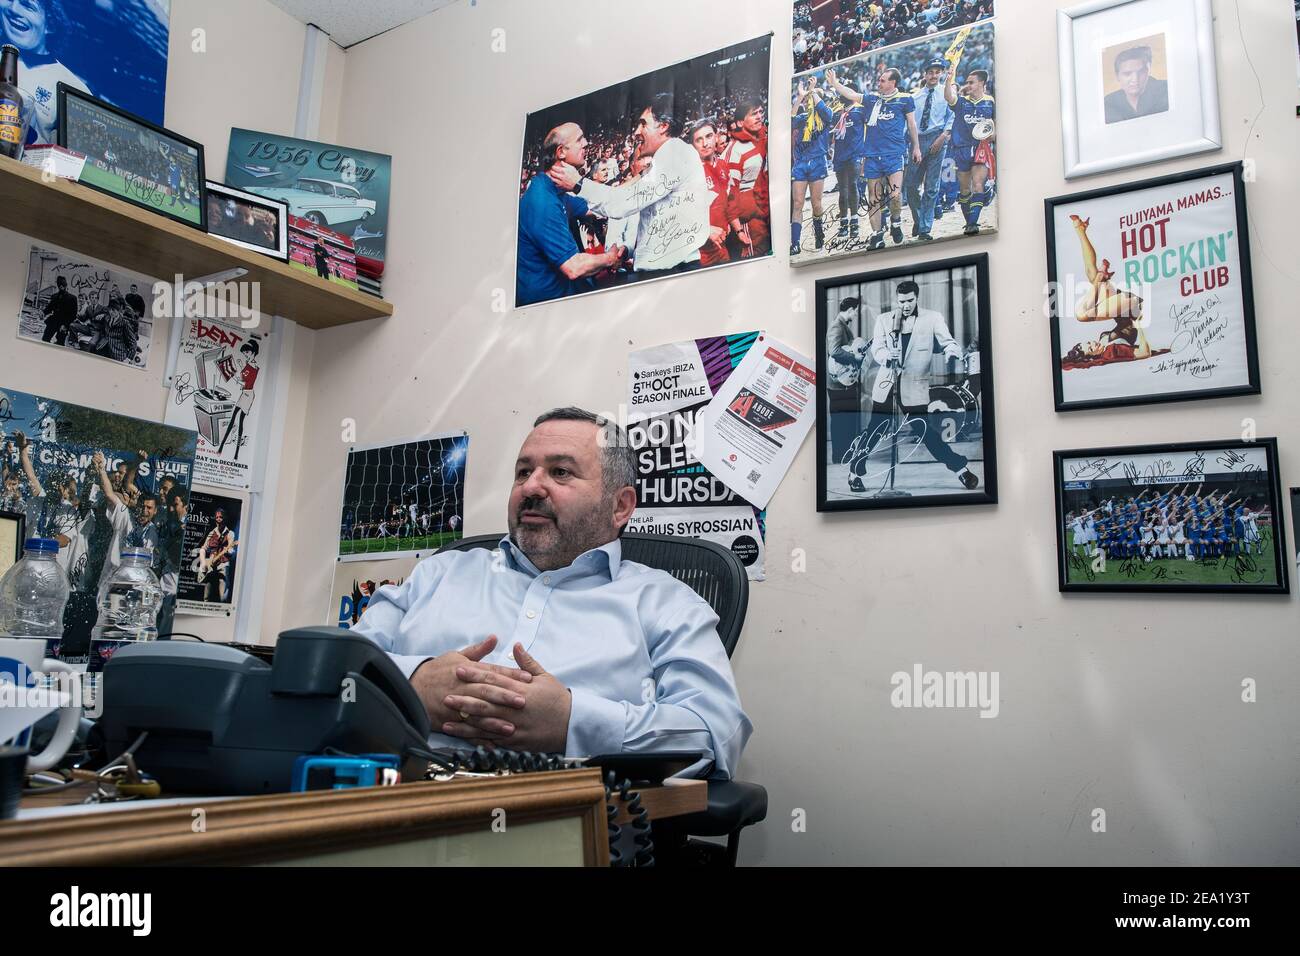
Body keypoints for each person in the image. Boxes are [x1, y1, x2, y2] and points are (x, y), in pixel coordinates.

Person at [352, 407, 751, 779]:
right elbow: (332, 669)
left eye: (560, 472)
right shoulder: (437, 573)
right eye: (523, 472)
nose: (532, 486)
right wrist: (412, 686)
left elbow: (714, 733)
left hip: (567, 823)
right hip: (392, 800)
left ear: (620, 506)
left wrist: (571, 722)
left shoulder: (667, 604)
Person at [547, 94, 711, 280]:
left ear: (663, 126)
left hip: (674, 272)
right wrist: (628, 250)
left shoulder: (675, 152)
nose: (636, 132)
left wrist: (579, 184)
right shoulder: (668, 157)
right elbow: (655, 222)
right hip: (669, 270)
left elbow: (623, 203)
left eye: (643, 124)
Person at [844, 280, 980, 493]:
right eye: (901, 301)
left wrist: (951, 350)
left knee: (927, 434)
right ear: (896, 300)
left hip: (914, 387)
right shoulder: (883, 320)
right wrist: (887, 356)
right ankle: (854, 473)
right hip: (887, 384)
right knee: (875, 430)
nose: (905, 305)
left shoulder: (933, 318)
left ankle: (961, 470)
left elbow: (948, 342)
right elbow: (877, 349)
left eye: (909, 301)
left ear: (917, 297)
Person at [517, 122, 626, 306]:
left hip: (565, 296)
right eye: (579, 140)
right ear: (561, 152)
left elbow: (597, 208)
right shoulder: (542, 202)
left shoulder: (558, 192)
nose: (586, 143)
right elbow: (573, 267)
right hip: (547, 306)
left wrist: (642, 180)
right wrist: (610, 258)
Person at [827, 66, 921, 249]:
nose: (879, 82)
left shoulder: (905, 100)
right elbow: (852, 94)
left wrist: (916, 147)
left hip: (894, 154)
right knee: (874, 198)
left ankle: (895, 222)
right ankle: (877, 235)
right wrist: (835, 83)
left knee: (895, 195)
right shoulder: (871, 99)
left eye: (883, 80)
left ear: (893, 83)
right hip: (872, 156)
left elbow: (912, 124)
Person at [2, 0, 90, 146]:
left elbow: (74, 159)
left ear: (51, 24)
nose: (14, 9)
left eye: (27, 5)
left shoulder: (73, 88)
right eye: (9, 0)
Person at [904, 60, 953, 241]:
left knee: (932, 186)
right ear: (925, 74)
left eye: (937, 72)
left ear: (941, 73)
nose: (933, 76)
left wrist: (942, 138)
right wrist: (915, 145)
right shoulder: (915, 97)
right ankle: (919, 218)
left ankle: (925, 228)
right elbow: (911, 124)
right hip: (918, 141)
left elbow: (951, 116)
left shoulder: (946, 93)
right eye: (930, 72)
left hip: (938, 137)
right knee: (910, 185)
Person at [943, 66, 995, 236]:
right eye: (967, 82)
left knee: (978, 183)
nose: (968, 85)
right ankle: (969, 221)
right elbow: (949, 96)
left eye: (971, 82)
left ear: (982, 83)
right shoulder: (962, 102)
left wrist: (992, 134)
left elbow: (995, 125)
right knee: (964, 189)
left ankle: (973, 223)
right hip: (962, 148)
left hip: (981, 147)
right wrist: (948, 80)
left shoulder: (990, 101)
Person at [790, 77, 834, 256]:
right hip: (800, 163)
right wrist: (800, 97)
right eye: (809, 98)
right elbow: (789, 120)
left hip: (818, 162)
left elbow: (828, 114)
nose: (810, 100)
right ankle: (795, 243)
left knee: (816, 204)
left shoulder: (825, 117)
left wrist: (814, 90)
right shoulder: (801, 118)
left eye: (812, 98)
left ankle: (819, 232)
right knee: (798, 203)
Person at [722, 99, 770, 258]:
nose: (759, 116)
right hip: (750, 220)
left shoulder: (762, 138)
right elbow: (729, 194)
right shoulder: (734, 151)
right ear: (741, 122)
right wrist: (739, 230)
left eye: (760, 112)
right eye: (753, 114)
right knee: (755, 257)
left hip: (766, 210)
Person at [825, 296, 868, 461]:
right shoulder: (837, 326)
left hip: (843, 383)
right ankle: (840, 455)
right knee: (840, 422)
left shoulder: (842, 326)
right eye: (855, 311)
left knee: (844, 421)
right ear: (850, 310)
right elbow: (834, 351)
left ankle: (844, 454)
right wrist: (854, 358)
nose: (856, 315)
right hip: (838, 385)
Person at [690, 120, 730, 267]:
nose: (705, 143)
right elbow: (682, 214)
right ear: (693, 145)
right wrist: (706, 231)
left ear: (717, 137)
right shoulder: (690, 173)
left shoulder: (723, 166)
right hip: (701, 252)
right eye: (699, 140)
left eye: (708, 136)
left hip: (722, 245)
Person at [1103, 45, 1168, 124]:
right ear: (1117, 76)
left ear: (1149, 70)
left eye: (1141, 72)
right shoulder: (1108, 103)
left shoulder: (1166, 90)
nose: (1135, 79)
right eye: (1127, 74)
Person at [40, 274, 77, 345]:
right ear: (58, 286)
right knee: (45, 339)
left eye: (63, 285)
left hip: (64, 323)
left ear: (66, 286)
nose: (61, 287)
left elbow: (73, 315)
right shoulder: (54, 296)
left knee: (60, 343)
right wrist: (43, 312)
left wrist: (65, 325)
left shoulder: (72, 298)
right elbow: (49, 308)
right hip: (53, 321)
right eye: (60, 285)